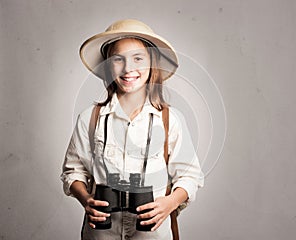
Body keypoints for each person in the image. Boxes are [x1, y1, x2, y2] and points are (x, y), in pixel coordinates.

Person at [61, 19, 204, 240]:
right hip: (101, 233)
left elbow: (190, 176)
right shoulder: (90, 118)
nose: (129, 69)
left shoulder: (170, 120)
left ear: (152, 64)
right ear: (108, 66)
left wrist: (170, 203)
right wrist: (86, 199)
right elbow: (73, 171)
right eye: (118, 60)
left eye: (138, 58)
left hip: (152, 234)